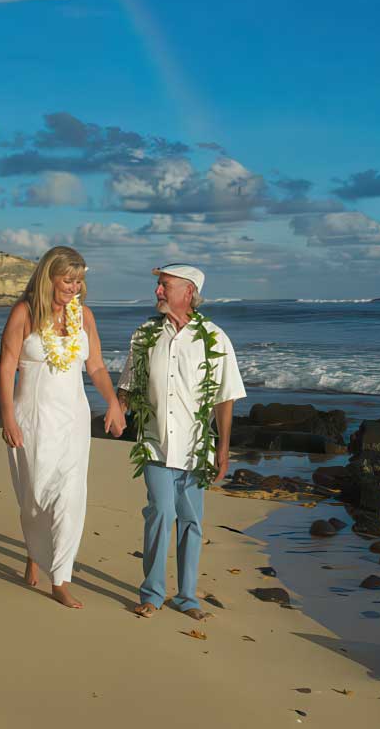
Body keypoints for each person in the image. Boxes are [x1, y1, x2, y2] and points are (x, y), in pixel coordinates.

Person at [0, 246, 126, 609]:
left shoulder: (83, 316)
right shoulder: (24, 313)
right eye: (68, 279)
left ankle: (61, 578)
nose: (75, 287)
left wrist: (113, 402)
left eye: (79, 280)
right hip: (33, 418)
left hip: (74, 418)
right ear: (48, 277)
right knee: (35, 497)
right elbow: (7, 367)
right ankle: (34, 552)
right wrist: (6, 415)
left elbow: (97, 366)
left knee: (71, 495)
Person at [117, 263, 245, 620]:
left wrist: (223, 448)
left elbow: (225, 397)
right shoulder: (144, 335)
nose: (158, 291)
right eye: (159, 285)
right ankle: (153, 593)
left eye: (165, 285)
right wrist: (115, 411)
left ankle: (187, 596)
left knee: (191, 520)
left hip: (196, 448)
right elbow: (127, 386)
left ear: (188, 292)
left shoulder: (214, 338)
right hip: (155, 444)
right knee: (160, 512)